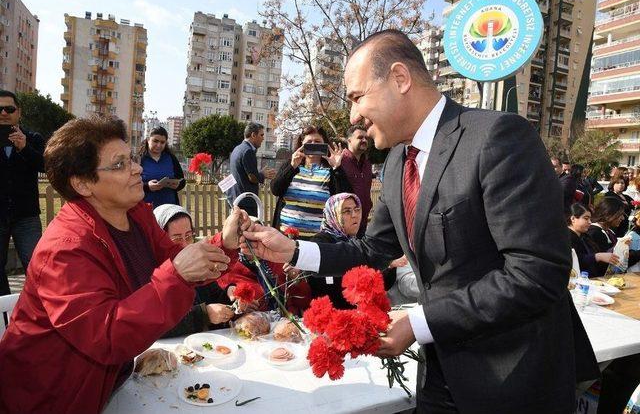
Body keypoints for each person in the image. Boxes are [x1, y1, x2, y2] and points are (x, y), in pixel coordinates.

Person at [242, 29, 598, 413]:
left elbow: (536, 273)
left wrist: (420, 322)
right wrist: (294, 250)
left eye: (357, 97)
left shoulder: (497, 137)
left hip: (514, 380)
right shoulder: (397, 161)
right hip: (441, 375)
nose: (353, 116)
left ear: (400, 78)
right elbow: (373, 249)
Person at [0, 116, 248, 413]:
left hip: (107, 384)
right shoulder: (65, 250)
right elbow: (105, 337)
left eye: (130, 159)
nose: (138, 168)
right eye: (119, 165)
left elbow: (177, 262)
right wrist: (176, 274)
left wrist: (226, 244)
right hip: (51, 396)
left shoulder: (135, 215)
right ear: (82, 183)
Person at [153, 204, 234, 337]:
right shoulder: (152, 274)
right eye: (177, 239)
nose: (185, 244)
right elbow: (154, 324)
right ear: (160, 240)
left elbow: (214, 297)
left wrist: (231, 295)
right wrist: (204, 314)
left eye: (189, 236)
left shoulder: (198, 264)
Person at [306, 192, 395, 309]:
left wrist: (389, 265)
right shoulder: (320, 244)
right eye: (347, 211)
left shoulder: (362, 242)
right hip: (331, 315)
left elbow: (385, 285)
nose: (355, 215)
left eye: (357, 210)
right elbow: (328, 288)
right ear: (333, 214)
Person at [270, 125, 352, 239]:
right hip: (286, 237)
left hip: (317, 240)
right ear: (302, 144)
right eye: (309, 141)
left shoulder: (331, 170)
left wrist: (337, 169)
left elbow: (344, 198)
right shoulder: (291, 165)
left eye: (318, 141)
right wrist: (292, 166)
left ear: (325, 145)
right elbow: (275, 189)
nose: (313, 144)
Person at [0, 89, 44, 295]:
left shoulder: (33, 138)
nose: (4, 113)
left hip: (26, 216)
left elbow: (46, 166)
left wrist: (25, 148)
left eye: (9, 108)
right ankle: (5, 317)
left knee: (37, 267)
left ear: (19, 112)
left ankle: (39, 314)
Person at [227, 122, 276, 216]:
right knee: (249, 229)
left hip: (236, 199)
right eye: (261, 135)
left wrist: (260, 173)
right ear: (253, 135)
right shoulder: (248, 151)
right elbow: (252, 177)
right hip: (246, 202)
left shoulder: (237, 148)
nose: (263, 138)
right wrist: (263, 174)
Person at [568, 203, 619, 277]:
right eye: (586, 218)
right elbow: (574, 260)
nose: (590, 222)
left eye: (590, 218)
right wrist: (597, 256)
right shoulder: (566, 237)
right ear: (573, 219)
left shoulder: (585, 236)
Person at [340, 125, 374, 236]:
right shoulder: (339, 161)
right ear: (349, 140)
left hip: (362, 222)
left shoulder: (367, 164)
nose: (364, 140)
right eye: (360, 137)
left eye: (366, 138)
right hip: (343, 225)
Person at [139, 126, 185, 208]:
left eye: (162, 142)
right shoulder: (139, 159)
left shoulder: (171, 158)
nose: (159, 145)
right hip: (145, 210)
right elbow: (130, 184)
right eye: (155, 141)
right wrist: (147, 186)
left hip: (169, 208)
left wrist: (178, 185)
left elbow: (182, 180)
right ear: (148, 140)